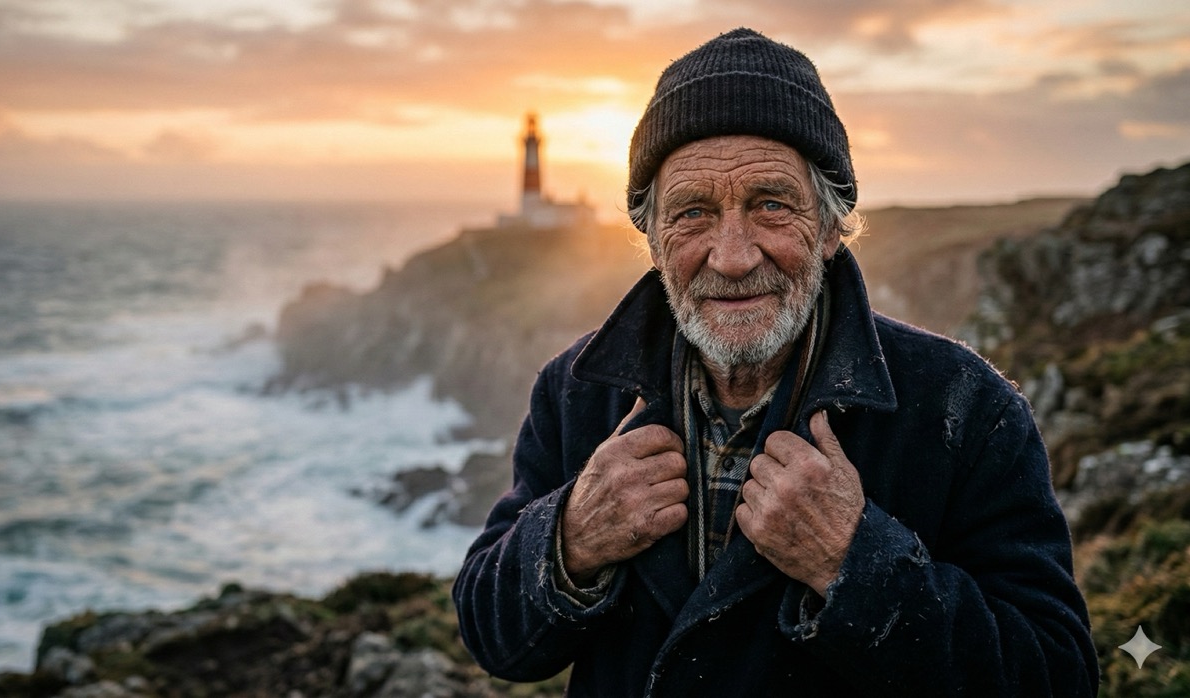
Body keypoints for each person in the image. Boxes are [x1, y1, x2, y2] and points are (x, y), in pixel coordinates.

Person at [453, 27, 1098, 697]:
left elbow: (1058, 676)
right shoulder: (578, 390)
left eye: (769, 205)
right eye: (693, 212)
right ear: (651, 241)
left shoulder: (964, 408)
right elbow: (492, 636)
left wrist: (856, 563)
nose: (732, 256)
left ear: (828, 227)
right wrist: (571, 540)